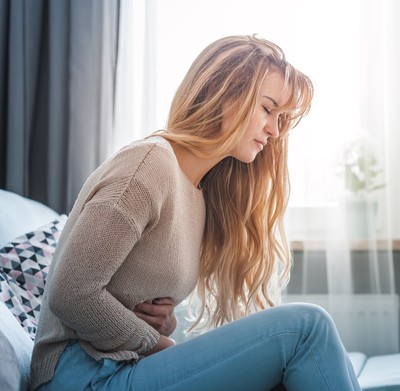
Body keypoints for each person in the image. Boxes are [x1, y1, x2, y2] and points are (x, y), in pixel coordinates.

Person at [30, 34, 361, 391]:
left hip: (121, 367)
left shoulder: (200, 192)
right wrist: (161, 344)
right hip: (82, 376)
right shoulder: (149, 164)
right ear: (224, 93)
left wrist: (163, 323)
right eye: (267, 109)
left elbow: (131, 303)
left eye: (281, 118)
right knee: (306, 328)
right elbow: (72, 293)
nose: (274, 130)